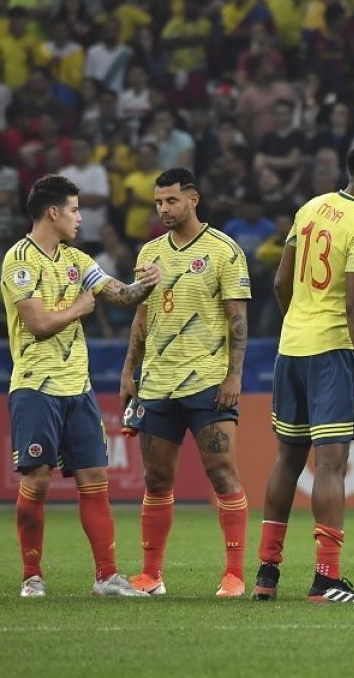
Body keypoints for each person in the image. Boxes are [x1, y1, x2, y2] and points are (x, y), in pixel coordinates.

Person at [251, 141, 354, 604]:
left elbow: (280, 282)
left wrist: (297, 323)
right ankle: (326, 579)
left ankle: (266, 575)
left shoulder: (310, 208)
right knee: (331, 465)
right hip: (332, 354)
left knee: (287, 460)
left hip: (290, 349)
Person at [3, 175, 161, 598]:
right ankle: (31, 577)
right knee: (36, 480)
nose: (80, 216)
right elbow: (36, 325)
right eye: (74, 209)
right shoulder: (20, 261)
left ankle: (107, 577)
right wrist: (78, 307)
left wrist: (148, 282)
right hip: (36, 386)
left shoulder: (77, 259)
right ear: (53, 212)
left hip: (78, 388)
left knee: (94, 477)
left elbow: (123, 296)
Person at [118, 169, 251, 597]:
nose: (163, 209)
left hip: (208, 382)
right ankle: (151, 575)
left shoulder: (223, 250)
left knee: (222, 473)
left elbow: (237, 318)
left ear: (193, 199)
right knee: (156, 480)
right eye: (158, 202)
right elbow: (141, 314)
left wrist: (234, 375)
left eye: (171, 201)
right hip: (157, 384)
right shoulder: (150, 251)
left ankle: (233, 574)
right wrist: (128, 370)